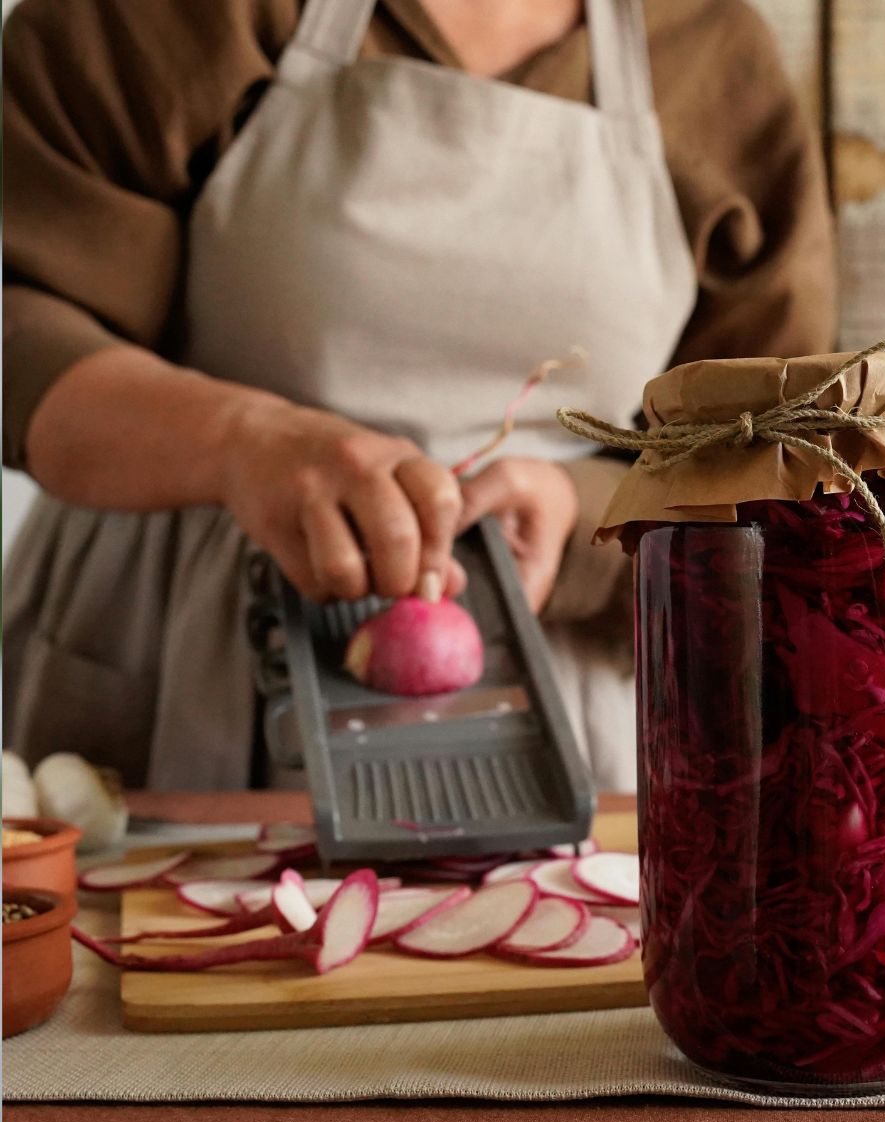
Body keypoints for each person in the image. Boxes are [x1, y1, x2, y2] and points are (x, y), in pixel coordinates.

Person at [2, 0, 835, 793]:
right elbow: (21, 320)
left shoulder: (712, 52)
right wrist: (239, 441)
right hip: (175, 654)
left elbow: (777, 451)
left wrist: (586, 512)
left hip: (570, 704)